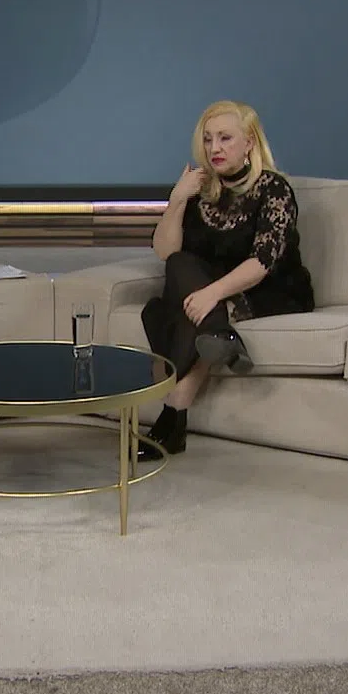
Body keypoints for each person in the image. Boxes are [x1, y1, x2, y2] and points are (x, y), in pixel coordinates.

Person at [140, 100, 315, 459]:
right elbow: (165, 251)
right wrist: (177, 199)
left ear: (249, 142)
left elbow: (263, 262)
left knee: (182, 314)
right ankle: (220, 335)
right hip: (208, 291)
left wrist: (212, 294)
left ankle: (171, 420)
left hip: (267, 290)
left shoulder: (274, 189)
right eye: (207, 139)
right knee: (179, 266)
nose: (214, 148)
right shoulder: (201, 189)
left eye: (225, 138)